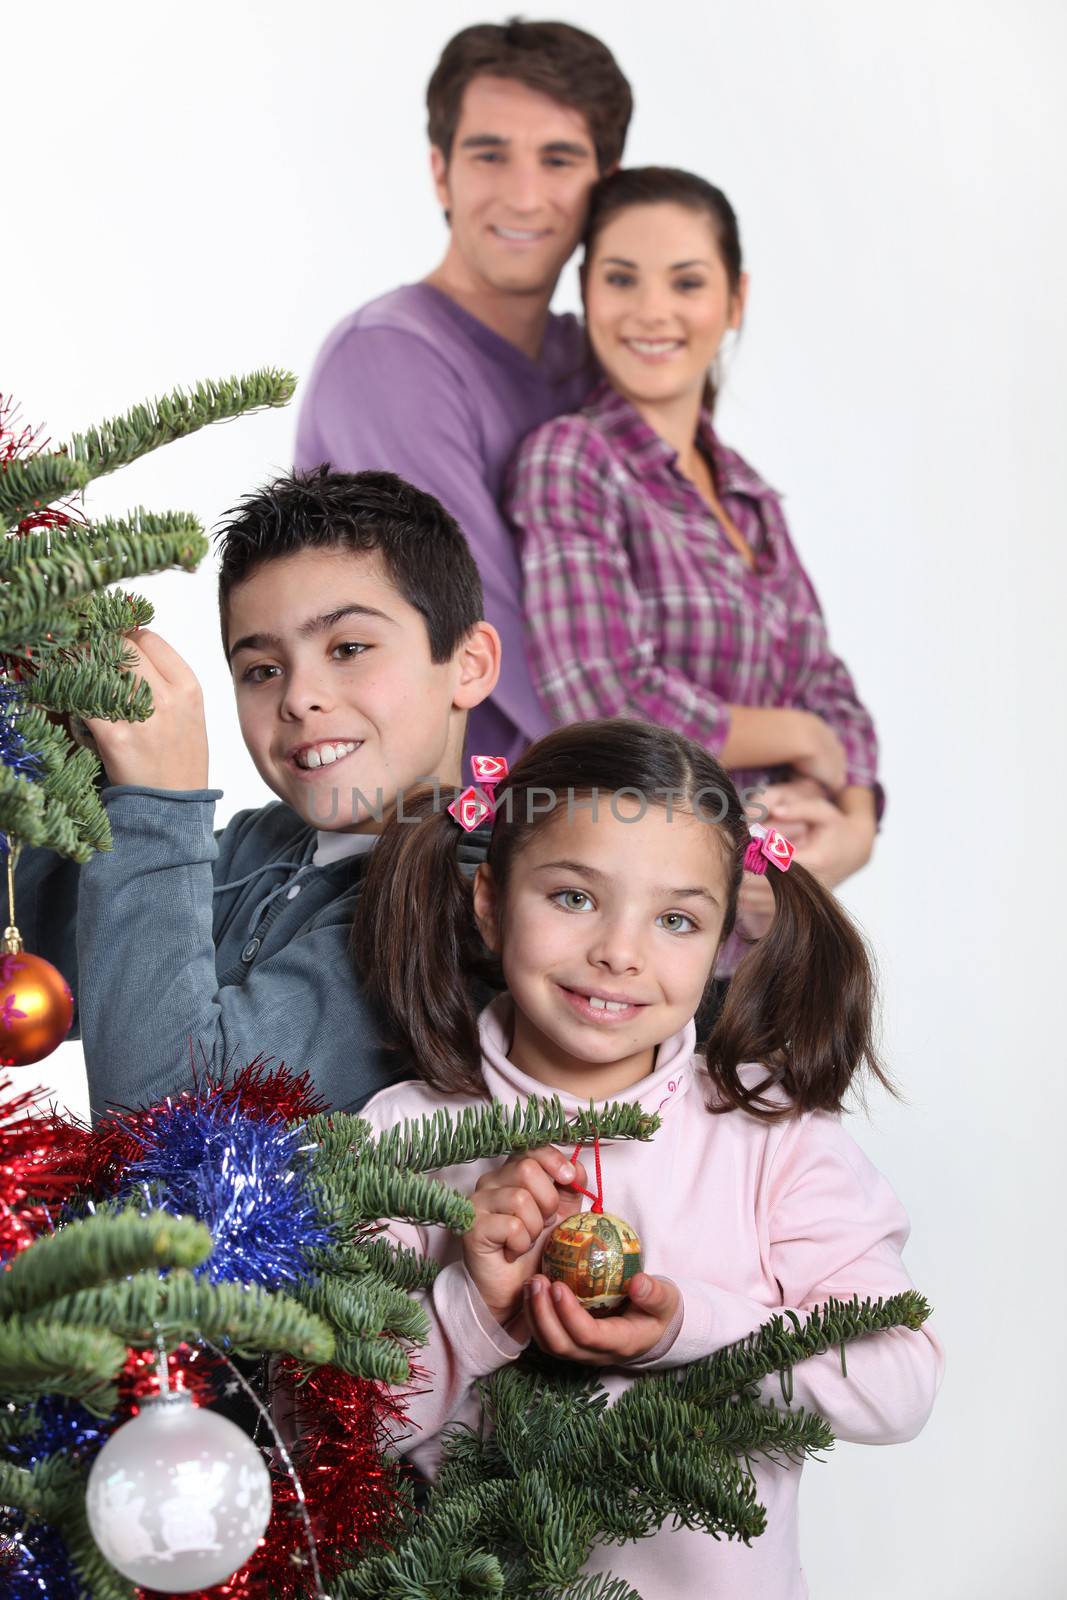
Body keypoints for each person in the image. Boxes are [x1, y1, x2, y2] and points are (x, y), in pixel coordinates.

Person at [352, 718, 942, 1599]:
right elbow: (333, 1434)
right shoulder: (403, 1136)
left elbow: (898, 1382)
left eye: (675, 919)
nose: (619, 953)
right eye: (573, 898)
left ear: (720, 944)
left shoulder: (770, 1133)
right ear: (489, 901)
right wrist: (470, 1304)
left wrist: (687, 1329)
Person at [15, 469, 500, 1117]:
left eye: (349, 647)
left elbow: (161, 1119)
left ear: (468, 665)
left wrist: (159, 806)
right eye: (262, 670)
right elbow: (40, 950)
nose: (299, 697)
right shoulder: (256, 845)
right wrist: (59, 755)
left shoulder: (470, 905)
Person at [506, 168, 882, 992]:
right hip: (635, 950)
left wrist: (851, 829)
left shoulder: (746, 493)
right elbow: (603, 694)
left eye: (686, 282)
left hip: (768, 951)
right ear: (585, 290)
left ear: (734, 299)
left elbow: (831, 688)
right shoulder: (572, 459)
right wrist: (800, 740)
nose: (651, 311)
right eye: (620, 278)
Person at [295, 19, 633, 763]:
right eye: (489, 155)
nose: (522, 195)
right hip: (436, 849)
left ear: (604, 186)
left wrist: (835, 796)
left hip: (603, 829)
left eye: (558, 158)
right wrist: (723, 815)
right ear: (440, 172)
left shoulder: (602, 361)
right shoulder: (388, 359)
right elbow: (511, 648)